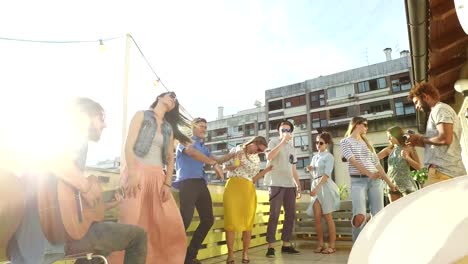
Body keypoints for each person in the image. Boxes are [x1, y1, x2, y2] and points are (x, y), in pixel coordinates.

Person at [8, 97, 147, 264]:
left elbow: (70, 203)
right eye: (101, 118)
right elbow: (50, 157)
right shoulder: (73, 134)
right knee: (138, 237)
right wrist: (86, 186)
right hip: (44, 239)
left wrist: (104, 204)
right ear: (85, 115)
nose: (105, 125)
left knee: (102, 246)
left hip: (50, 240)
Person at [110, 91, 190, 264]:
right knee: (130, 222)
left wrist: (167, 183)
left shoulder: (168, 128)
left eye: (175, 100)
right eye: (171, 95)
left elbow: (170, 158)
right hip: (136, 172)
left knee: (169, 224)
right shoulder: (141, 115)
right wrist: (132, 172)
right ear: (160, 97)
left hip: (158, 177)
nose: (173, 100)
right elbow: (128, 146)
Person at [173, 117, 238, 264]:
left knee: (208, 220)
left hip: (201, 184)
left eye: (205, 127)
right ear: (193, 127)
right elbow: (192, 153)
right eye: (201, 126)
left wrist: (232, 154)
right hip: (187, 182)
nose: (204, 129)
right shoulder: (185, 140)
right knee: (185, 220)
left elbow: (217, 159)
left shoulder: (204, 147)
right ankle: (172, 255)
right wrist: (212, 163)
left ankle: (189, 256)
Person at [340, 117, 396, 242]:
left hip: (375, 181)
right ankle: (357, 247)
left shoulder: (367, 143)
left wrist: (390, 184)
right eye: (364, 125)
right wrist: (369, 174)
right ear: (356, 124)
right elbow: (352, 161)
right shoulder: (345, 142)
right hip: (357, 181)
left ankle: (375, 244)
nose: (367, 128)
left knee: (378, 216)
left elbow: (377, 165)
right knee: (359, 217)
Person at [222, 136, 273, 264]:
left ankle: (245, 253)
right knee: (231, 222)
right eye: (258, 149)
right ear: (253, 143)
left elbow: (253, 178)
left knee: (248, 223)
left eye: (261, 151)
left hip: (248, 189)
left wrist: (266, 170)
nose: (258, 152)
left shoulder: (256, 158)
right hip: (233, 186)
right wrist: (234, 165)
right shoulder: (236, 150)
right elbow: (223, 167)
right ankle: (230, 255)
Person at [406, 82, 467, 186]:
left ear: (425, 96)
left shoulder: (440, 109)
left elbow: (445, 139)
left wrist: (421, 139)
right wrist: (416, 141)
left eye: (416, 102)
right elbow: (438, 142)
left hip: (443, 173)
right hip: (445, 173)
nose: (416, 107)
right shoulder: (437, 111)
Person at [263, 119, 302, 258]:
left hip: (290, 185)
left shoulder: (293, 148)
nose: (286, 132)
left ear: (291, 132)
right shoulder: (273, 142)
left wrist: (298, 184)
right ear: (279, 131)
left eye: (288, 130)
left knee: (290, 215)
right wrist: (283, 142)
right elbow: (269, 156)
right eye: (283, 130)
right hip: (276, 184)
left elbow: (294, 168)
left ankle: (286, 244)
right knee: (274, 215)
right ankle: (271, 246)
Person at [306, 132, 340, 254]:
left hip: (325, 186)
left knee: (328, 217)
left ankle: (332, 245)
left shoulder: (329, 156)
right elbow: (315, 175)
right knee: (317, 218)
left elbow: (326, 175)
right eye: (316, 142)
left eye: (320, 143)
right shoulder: (315, 157)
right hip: (316, 184)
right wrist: (310, 170)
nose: (318, 145)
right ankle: (321, 243)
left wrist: (317, 188)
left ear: (326, 144)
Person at [378, 126, 421, 202]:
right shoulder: (388, 150)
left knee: (410, 208)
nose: (388, 139)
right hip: (392, 184)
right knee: (395, 209)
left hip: (407, 183)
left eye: (390, 137)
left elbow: (418, 167)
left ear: (396, 136)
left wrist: (407, 158)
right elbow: (373, 159)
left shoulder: (409, 148)